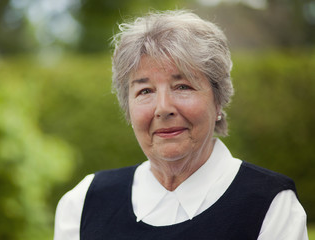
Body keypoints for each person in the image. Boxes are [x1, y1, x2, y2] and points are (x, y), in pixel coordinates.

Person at [54, 10, 308, 239]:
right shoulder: (84, 202)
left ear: (218, 101)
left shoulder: (270, 205)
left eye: (182, 86)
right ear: (127, 108)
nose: (163, 108)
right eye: (145, 91)